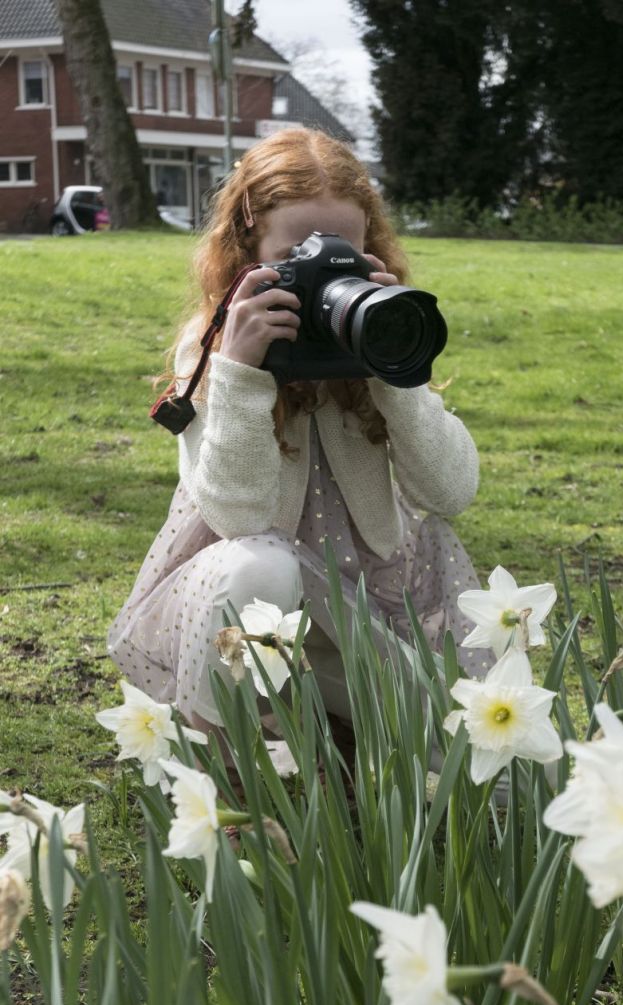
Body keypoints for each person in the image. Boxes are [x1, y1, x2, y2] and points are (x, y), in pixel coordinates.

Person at [107, 128, 492, 737]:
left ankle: (335, 735)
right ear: (247, 248)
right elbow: (241, 517)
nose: (323, 274)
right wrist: (238, 372)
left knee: (469, 751)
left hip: (360, 608)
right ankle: (228, 770)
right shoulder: (215, 347)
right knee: (261, 566)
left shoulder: (373, 334)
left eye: (345, 251)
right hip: (242, 606)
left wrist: (395, 369)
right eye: (296, 257)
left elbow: (450, 493)